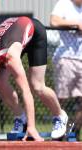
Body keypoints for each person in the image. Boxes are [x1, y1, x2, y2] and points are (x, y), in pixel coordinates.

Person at [50, 0, 82, 140]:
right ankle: (58, 127)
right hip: (66, 57)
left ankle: (73, 130)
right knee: (61, 97)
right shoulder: (64, 4)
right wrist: (75, 23)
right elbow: (54, 21)